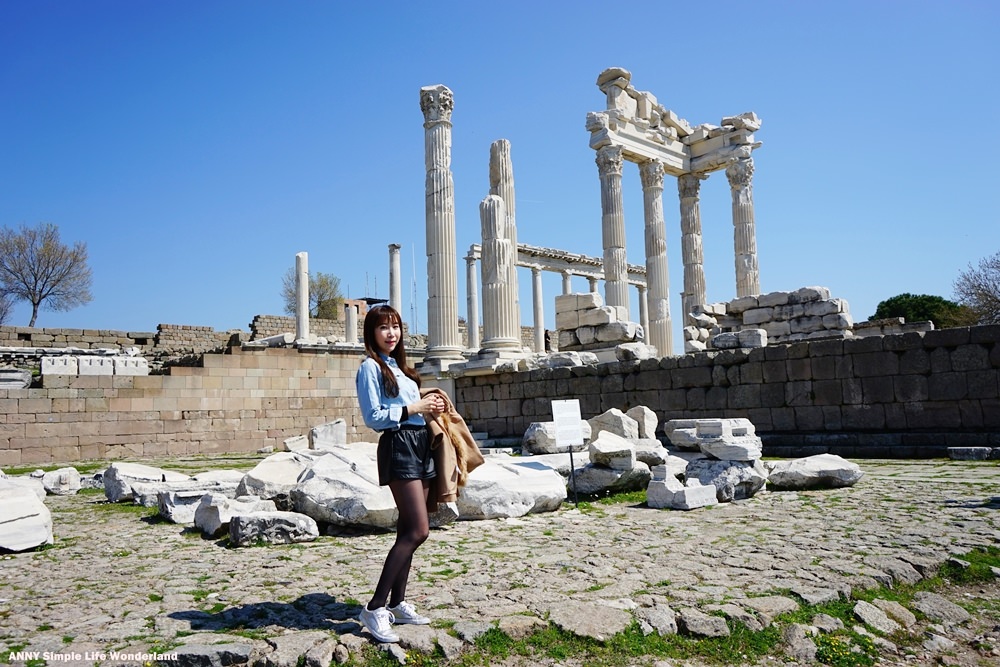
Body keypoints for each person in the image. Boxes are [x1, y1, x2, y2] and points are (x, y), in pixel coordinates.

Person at [354, 304, 446, 644]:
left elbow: (412, 408)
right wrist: (415, 407)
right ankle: (375, 607)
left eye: (395, 327)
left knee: (407, 529)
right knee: (419, 530)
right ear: (372, 333)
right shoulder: (369, 367)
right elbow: (374, 416)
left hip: (420, 444)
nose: (391, 333)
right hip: (398, 445)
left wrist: (428, 403)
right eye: (383, 328)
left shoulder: (400, 368)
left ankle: (397, 602)